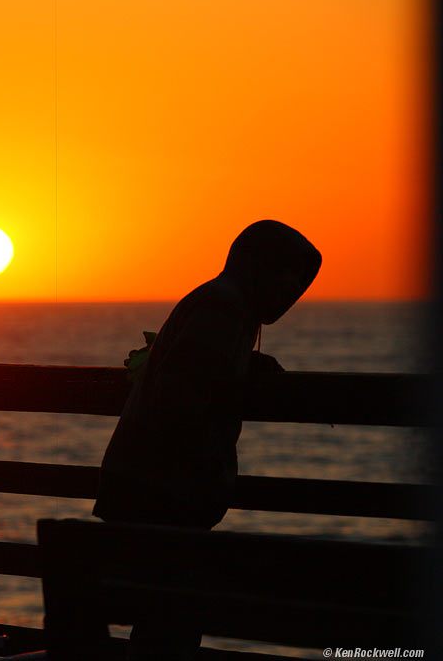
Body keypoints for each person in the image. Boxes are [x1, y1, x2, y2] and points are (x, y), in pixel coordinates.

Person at [93, 219, 321, 659]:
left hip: (148, 494)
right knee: (169, 629)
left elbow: (193, 373)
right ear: (256, 268)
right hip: (161, 502)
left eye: (301, 286)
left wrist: (243, 369)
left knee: (162, 626)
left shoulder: (224, 306)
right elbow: (179, 401)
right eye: (289, 279)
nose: (293, 295)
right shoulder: (223, 309)